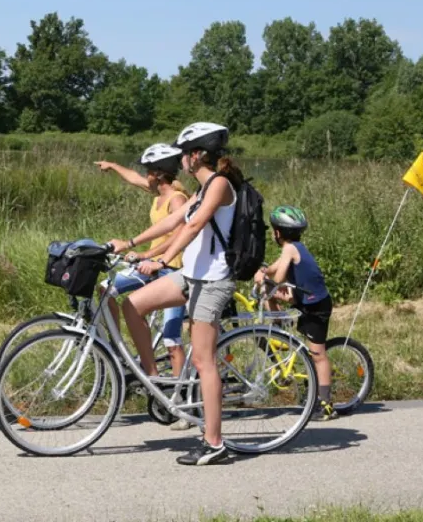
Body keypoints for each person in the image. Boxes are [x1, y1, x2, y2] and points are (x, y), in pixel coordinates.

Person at [108, 121, 239, 466]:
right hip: (190, 276)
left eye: (184, 153)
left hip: (213, 281)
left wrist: (163, 259)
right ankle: (155, 381)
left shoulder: (220, 184)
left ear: (197, 155)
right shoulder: (201, 189)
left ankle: (214, 443)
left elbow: (194, 226)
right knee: (132, 305)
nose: (180, 159)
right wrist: (131, 243)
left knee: (203, 361)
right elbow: (174, 221)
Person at [95, 144, 189, 384]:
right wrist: (112, 165)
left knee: (171, 339)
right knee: (105, 289)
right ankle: (118, 349)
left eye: (148, 170)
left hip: (173, 268)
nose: (145, 175)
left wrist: (146, 254)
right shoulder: (158, 194)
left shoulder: (178, 200)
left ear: (158, 174)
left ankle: (177, 391)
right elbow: (134, 178)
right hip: (151, 265)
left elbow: (179, 236)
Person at [254, 205, 338, 422]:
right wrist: (262, 271)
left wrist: (266, 279)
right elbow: (274, 267)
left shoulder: (290, 248)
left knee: (318, 354)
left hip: (316, 306)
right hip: (305, 300)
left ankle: (326, 405)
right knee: (268, 294)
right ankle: (279, 329)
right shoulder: (293, 247)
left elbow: (279, 277)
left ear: (277, 233)